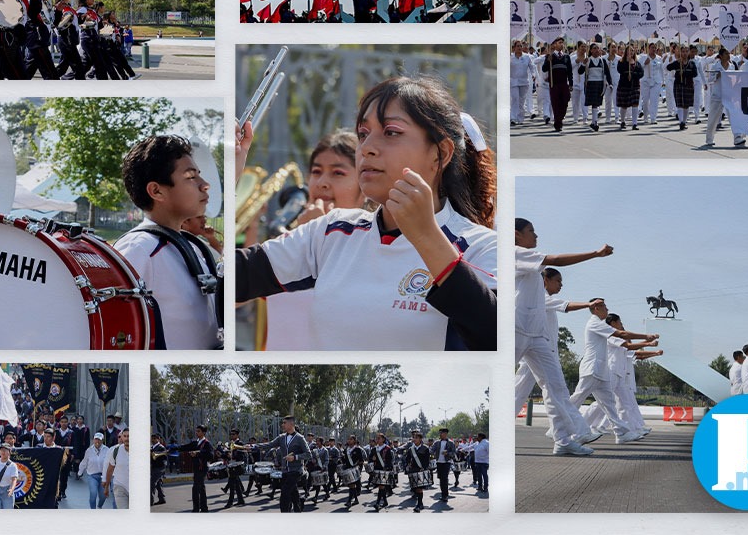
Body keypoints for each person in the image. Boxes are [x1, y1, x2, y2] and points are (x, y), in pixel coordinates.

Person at [235, 76, 497, 351]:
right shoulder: (332, 231)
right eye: (363, 134)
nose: (367, 148)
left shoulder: (479, 245)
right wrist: (227, 178)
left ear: (439, 152)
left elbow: (496, 339)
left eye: (391, 132)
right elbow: (226, 283)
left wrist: (425, 235)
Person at [258, 130, 365, 350]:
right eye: (316, 172)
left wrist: (322, 235)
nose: (322, 183)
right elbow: (232, 298)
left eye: (338, 173)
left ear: (364, 184)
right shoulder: (289, 238)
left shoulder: (375, 243)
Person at [514, 219, 612, 455]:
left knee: (556, 385)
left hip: (536, 336)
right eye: (531, 232)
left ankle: (566, 439)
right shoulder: (515, 253)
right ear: (516, 235)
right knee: (515, 390)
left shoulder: (535, 271)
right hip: (515, 330)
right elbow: (555, 260)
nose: (536, 236)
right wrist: (595, 254)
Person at [115, 136, 220, 349]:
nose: (205, 185)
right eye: (191, 177)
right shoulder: (138, 249)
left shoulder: (194, 246)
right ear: (156, 191)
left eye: (199, 175)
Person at [569, 300, 658, 443]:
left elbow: (627, 343)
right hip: (593, 368)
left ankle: (621, 433)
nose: (607, 309)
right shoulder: (597, 324)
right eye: (604, 306)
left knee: (610, 404)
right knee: (576, 400)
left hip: (602, 371)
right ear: (596, 308)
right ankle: (559, 428)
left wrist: (650, 346)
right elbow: (623, 337)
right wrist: (646, 338)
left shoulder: (601, 326)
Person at [252, 417, 310, 512]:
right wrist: (253, 446)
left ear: (291, 424)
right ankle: (299, 506)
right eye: (282, 423)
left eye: (284, 423)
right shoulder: (281, 437)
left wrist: (295, 457)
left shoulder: (300, 438)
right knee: (293, 492)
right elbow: (269, 445)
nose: (282, 425)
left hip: (296, 470)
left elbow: (308, 454)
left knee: (285, 492)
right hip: (285, 470)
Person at [21, 0, 59, 80]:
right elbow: (32, 15)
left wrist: (59, 12)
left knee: (28, 71)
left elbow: (49, 19)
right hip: (36, 39)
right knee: (51, 74)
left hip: (40, 37)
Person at [175, 425, 215, 512]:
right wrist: (174, 448)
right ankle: (204, 508)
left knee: (196, 488)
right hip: (196, 468)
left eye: (199, 431)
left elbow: (211, 455)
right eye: (196, 431)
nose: (197, 433)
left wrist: (198, 453)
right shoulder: (195, 442)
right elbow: (185, 447)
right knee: (201, 488)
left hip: (203, 468)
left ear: (204, 432)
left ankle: (196, 508)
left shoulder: (207, 443)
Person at [579, 43, 612, 132]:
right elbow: (580, 72)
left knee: (597, 103)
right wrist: (583, 64)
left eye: (598, 48)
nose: (597, 50)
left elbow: (607, 73)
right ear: (591, 50)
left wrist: (610, 83)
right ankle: (595, 122)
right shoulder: (588, 60)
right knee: (594, 103)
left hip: (600, 84)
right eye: (595, 48)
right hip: (590, 83)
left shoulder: (602, 61)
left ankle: (594, 122)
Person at [542, 37, 573, 132]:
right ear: (554, 44)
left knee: (565, 101)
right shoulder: (549, 56)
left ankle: (560, 118)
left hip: (564, 84)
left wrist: (571, 83)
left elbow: (569, 71)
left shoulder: (567, 57)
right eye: (560, 43)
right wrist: (548, 60)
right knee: (555, 103)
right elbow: (544, 69)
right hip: (554, 84)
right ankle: (558, 122)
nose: (562, 45)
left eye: (562, 43)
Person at [666, 46, 699, 130]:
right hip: (678, 84)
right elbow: (668, 68)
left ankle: (684, 121)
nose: (684, 53)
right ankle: (681, 122)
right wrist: (676, 62)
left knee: (686, 105)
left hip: (688, 85)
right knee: (680, 104)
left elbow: (695, 74)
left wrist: (684, 73)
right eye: (683, 51)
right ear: (680, 53)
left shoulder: (692, 63)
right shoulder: (677, 63)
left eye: (686, 51)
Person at [615, 45, 645, 130]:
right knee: (624, 105)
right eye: (629, 50)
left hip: (635, 85)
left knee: (635, 103)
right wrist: (626, 66)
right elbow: (619, 70)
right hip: (624, 85)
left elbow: (641, 73)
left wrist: (633, 75)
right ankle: (623, 121)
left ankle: (635, 123)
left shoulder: (637, 62)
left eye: (632, 51)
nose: (630, 52)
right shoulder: (621, 61)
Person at [79, 433, 109, 508]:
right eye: (96, 439)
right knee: (93, 493)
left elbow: (110, 463)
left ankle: (99, 506)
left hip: (103, 476)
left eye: (99, 439)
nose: (97, 441)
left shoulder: (107, 450)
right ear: (93, 440)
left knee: (103, 496)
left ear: (102, 441)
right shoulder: (89, 450)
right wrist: (80, 472)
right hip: (92, 476)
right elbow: (84, 462)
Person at [403, 431, 432, 512]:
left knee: (419, 488)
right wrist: (407, 465)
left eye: (416, 438)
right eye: (413, 438)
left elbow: (427, 460)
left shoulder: (425, 448)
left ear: (420, 439)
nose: (414, 439)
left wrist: (424, 468)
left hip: (421, 470)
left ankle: (419, 504)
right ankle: (420, 503)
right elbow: (407, 459)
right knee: (415, 488)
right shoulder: (410, 449)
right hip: (413, 470)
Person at [104, 429, 129, 509]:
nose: (126, 438)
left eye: (129, 436)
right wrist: (106, 486)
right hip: (119, 486)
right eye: (124, 436)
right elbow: (110, 469)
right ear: (121, 437)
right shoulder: (116, 451)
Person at [510, 40, 533, 125]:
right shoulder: (510, 57)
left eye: (520, 46)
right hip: (513, 81)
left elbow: (532, 67)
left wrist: (533, 75)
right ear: (514, 48)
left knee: (521, 101)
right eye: (518, 46)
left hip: (524, 82)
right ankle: (512, 117)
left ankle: (520, 118)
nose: (519, 48)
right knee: (515, 99)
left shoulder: (527, 57)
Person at [429, 428, 455, 502]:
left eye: (441, 433)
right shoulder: (437, 442)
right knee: (441, 479)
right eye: (439, 433)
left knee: (444, 478)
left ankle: (445, 495)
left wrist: (448, 453)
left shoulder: (451, 443)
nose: (440, 434)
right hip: (439, 462)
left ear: (445, 434)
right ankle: (443, 493)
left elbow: (454, 453)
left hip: (447, 462)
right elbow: (431, 450)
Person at [150, 433, 169, 505]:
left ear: (158, 439)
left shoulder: (161, 447)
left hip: (159, 468)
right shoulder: (152, 447)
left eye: (154, 438)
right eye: (152, 438)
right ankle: (162, 499)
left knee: (152, 483)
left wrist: (153, 455)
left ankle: (150, 501)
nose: (153, 440)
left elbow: (163, 458)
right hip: (154, 467)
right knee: (158, 483)